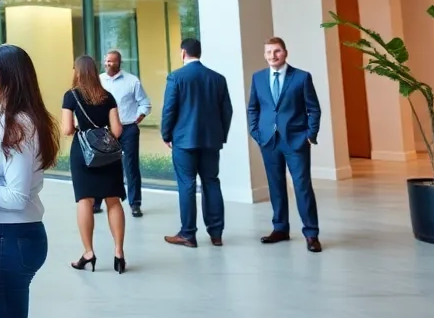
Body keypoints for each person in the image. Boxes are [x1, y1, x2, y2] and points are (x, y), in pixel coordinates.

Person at [0, 44, 60, 318]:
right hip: (8, 239)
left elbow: (16, 195)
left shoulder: (19, 126)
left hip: (10, 241)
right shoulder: (9, 120)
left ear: (11, 78)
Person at [248, 37, 323, 252]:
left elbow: (314, 109)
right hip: (268, 141)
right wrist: (256, 132)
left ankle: (311, 234)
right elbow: (253, 108)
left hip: (296, 141)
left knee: (302, 187)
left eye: (277, 51)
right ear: (264, 54)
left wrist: (310, 134)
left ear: (285, 53)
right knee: (276, 186)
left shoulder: (301, 77)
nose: (273, 55)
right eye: (269, 52)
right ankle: (280, 228)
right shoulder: (258, 78)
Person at [161, 38, 233, 248]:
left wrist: (166, 135)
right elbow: (226, 111)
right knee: (211, 182)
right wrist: (220, 135)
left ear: (183, 53)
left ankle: (188, 234)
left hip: (184, 141)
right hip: (211, 141)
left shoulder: (176, 77)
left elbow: (169, 109)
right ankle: (216, 233)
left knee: (187, 185)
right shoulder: (217, 78)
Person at [61, 55, 127, 273]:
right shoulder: (108, 97)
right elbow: (117, 131)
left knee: (85, 201)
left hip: (83, 153)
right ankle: (119, 252)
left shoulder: (71, 96)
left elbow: (67, 129)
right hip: (108, 153)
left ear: (77, 72)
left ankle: (88, 253)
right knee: (113, 201)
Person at [94, 49, 151, 217]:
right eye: (106, 61)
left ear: (119, 63)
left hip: (127, 129)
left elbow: (145, 103)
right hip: (105, 130)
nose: (108, 64)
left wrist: (138, 117)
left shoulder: (132, 81)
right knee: (102, 165)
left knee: (131, 166)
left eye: (112, 61)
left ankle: (135, 204)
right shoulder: (98, 81)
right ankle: (97, 202)